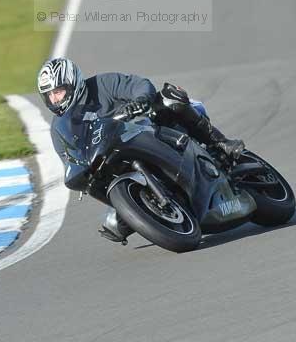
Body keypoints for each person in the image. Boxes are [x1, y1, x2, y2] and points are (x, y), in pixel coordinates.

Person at [37, 57, 244, 244]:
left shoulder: (102, 84)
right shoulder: (59, 128)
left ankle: (220, 143)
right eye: (49, 95)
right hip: (112, 161)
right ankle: (141, 208)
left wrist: (140, 101)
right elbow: (69, 157)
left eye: (59, 91)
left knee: (170, 98)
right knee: (112, 222)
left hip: (146, 128)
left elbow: (139, 85)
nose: (55, 99)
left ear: (73, 83)